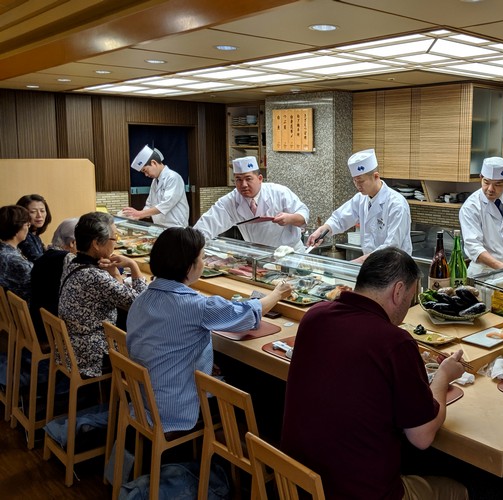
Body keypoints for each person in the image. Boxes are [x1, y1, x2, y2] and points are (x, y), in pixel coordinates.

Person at [282, 247, 468, 500]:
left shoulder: (314, 316)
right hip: (356, 493)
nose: (406, 310)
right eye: (411, 298)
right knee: (459, 490)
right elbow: (422, 437)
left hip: (297, 481)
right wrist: (444, 376)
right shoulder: (395, 342)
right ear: (398, 291)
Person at [127, 227, 292, 433]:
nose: (204, 263)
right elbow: (247, 315)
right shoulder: (194, 305)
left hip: (143, 400)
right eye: (203, 257)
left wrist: (201, 360)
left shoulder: (143, 297)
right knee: (261, 387)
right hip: (175, 410)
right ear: (188, 265)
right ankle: (252, 454)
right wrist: (277, 294)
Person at [58, 212, 147, 377]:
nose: (116, 243)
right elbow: (141, 303)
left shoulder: (70, 260)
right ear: (96, 244)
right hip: (90, 354)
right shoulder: (95, 276)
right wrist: (134, 266)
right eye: (114, 238)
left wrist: (114, 274)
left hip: (70, 346)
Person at [306, 149, 412, 262]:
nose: (357, 186)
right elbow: (339, 219)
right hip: (372, 265)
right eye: (355, 181)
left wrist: (357, 262)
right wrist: (321, 230)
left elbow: (391, 247)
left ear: (376, 176)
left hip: (395, 267)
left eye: (361, 181)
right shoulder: (361, 199)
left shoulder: (396, 204)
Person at [194, 156, 309, 252]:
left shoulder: (279, 192)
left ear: (260, 178)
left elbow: (303, 215)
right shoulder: (230, 200)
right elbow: (207, 225)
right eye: (238, 179)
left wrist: (290, 218)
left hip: (290, 254)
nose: (243, 184)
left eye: (248, 179)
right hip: (258, 255)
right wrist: (191, 244)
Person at [121, 144, 189, 227]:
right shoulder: (154, 181)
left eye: (145, 170)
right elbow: (149, 204)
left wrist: (140, 214)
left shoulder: (173, 177)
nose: (146, 175)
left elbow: (166, 204)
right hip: (160, 227)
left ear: (154, 163)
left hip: (176, 227)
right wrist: (135, 216)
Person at [30, 217, 78, 334]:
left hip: (41, 320)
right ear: (72, 243)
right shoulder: (67, 260)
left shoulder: (47, 255)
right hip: (53, 329)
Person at [0, 205, 33, 302]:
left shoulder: (4, 250)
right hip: (23, 313)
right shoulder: (16, 262)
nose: (28, 228)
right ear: (17, 227)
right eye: (27, 225)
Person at [16, 194, 52, 261]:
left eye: (42, 211)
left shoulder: (35, 235)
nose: (39, 215)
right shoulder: (24, 237)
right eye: (33, 212)